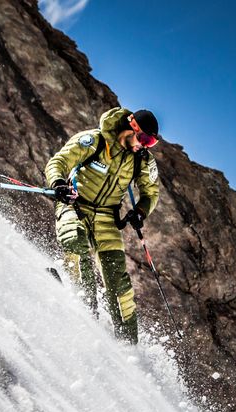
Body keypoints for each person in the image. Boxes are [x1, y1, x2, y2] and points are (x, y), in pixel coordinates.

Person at [45, 107, 162, 343]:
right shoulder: (95, 140)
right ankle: (83, 307)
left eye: (151, 143)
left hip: (107, 218)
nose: (145, 146)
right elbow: (58, 161)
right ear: (132, 126)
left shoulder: (142, 160)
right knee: (74, 239)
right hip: (76, 205)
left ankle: (128, 344)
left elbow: (151, 192)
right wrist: (58, 183)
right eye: (145, 139)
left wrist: (140, 211)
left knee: (118, 282)